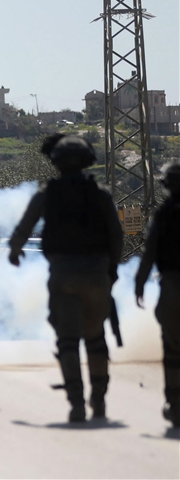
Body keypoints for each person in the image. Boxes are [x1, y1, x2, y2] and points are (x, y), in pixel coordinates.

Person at [9, 134, 122, 422]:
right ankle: (99, 398)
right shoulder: (100, 194)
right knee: (96, 339)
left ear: (55, 162)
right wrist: (111, 271)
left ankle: (76, 402)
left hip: (63, 274)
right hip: (96, 273)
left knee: (68, 341)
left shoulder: (48, 193)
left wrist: (15, 251)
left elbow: (24, 226)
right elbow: (115, 235)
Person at [135, 162, 180, 428]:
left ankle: (175, 405)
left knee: (173, 350)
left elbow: (150, 252)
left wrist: (140, 283)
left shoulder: (164, 214)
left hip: (173, 287)